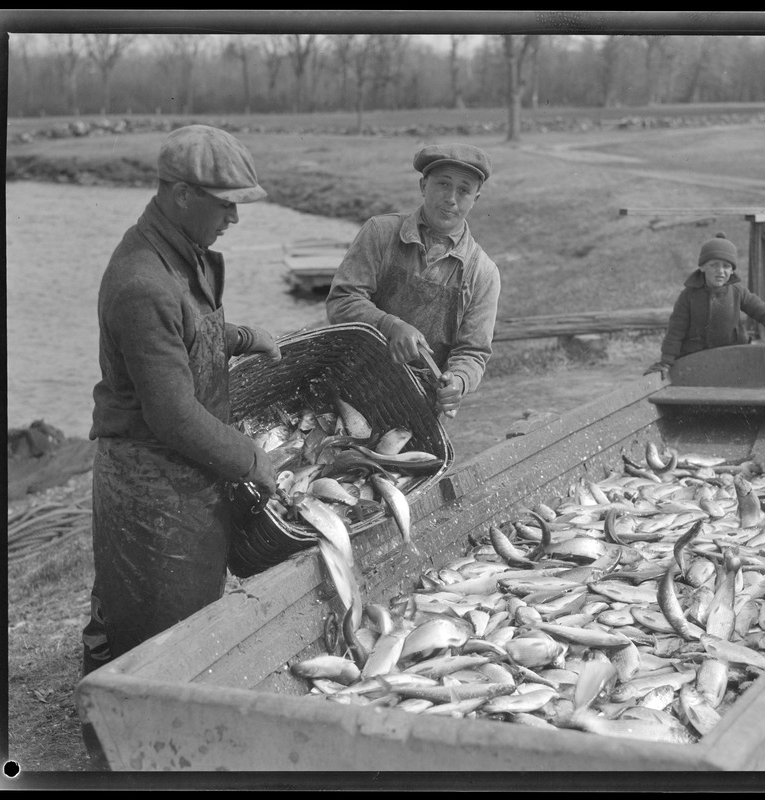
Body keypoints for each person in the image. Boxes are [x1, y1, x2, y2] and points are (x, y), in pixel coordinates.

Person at [81, 125, 283, 677]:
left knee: (184, 612)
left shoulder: (183, 251)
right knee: (151, 626)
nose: (234, 220)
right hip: (151, 484)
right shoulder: (142, 280)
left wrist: (242, 336)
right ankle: (118, 741)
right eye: (226, 206)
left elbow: (187, 333)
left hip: (186, 472)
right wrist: (249, 458)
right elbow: (173, 415)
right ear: (181, 195)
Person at [326, 143, 501, 418]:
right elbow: (342, 301)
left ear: (475, 199)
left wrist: (458, 381)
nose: (451, 199)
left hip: (419, 406)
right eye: (443, 184)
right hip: (349, 388)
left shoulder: (483, 273)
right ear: (423, 185)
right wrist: (390, 325)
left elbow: (473, 351)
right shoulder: (380, 233)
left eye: (464, 190)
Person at [645, 232, 765, 378]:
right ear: (702, 267)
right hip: (696, 357)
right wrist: (666, 361)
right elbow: (675, 330)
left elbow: (764, 312)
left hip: (734, 353)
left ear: (732, 271)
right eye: (714, 265)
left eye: (726, 266)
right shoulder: (689, 296)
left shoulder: (737, 291)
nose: (720, 271)